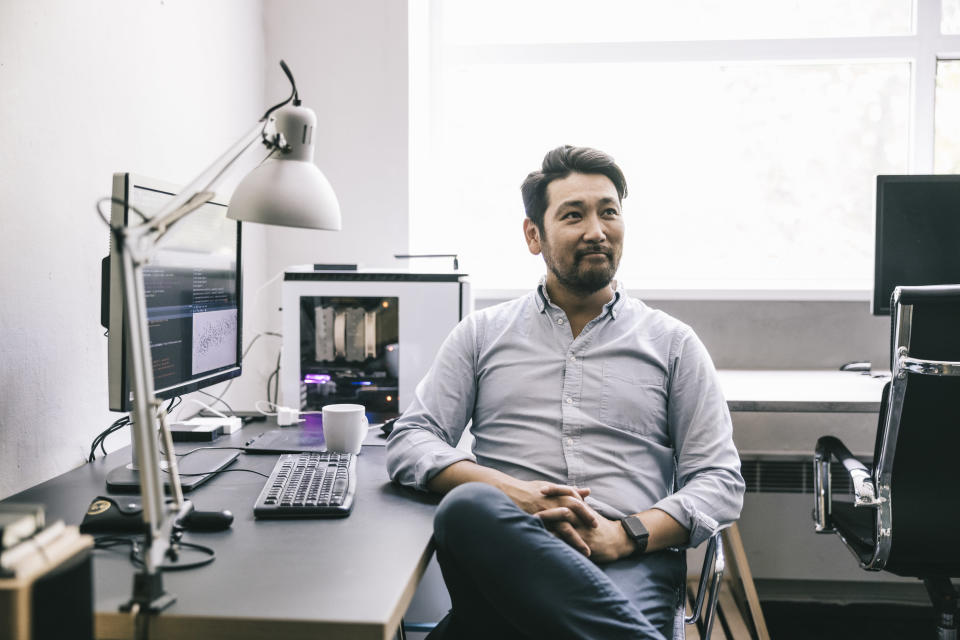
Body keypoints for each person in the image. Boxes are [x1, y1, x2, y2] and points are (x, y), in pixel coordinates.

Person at [386, 145, 744, 639]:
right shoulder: (481, 334)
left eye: (609, 213)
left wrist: (624, 535)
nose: (596, 231)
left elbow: (719, 480)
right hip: (507, 551)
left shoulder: (673, 344)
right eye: (573, 215)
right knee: (468, 508)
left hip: (627, 563)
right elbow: (411, 439)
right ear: (534, 235)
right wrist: (515, 495)